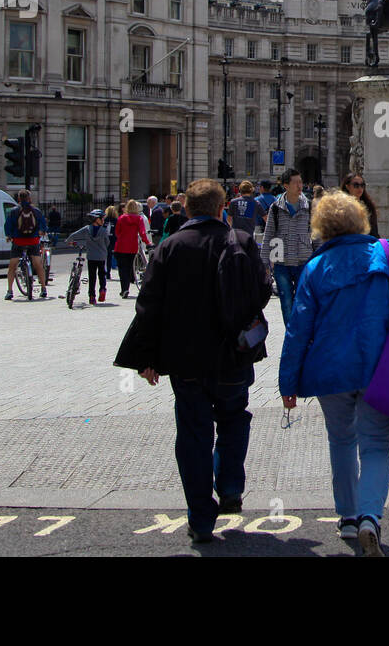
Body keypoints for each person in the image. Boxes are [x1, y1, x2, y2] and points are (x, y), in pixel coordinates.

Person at [115, 178, 272, 543]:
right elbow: (263, 291)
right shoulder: (243, 242)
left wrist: (148, 356)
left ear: (185, 209)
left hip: (185, 360)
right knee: (235, 417)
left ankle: (201, 519)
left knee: (193, 434)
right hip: (234, 353)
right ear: (223, 209)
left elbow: (148, 306)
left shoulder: (169, 246)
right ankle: (230, 484)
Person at [279, 191, 389, 556]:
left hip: (330, 371)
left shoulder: (313, 269)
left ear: (322, 227)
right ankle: (371, 515)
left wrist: (287, 382)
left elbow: (298, 329)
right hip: (379, 367)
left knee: (341, 441)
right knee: (376, 445)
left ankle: (347, 518)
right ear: (362, 220)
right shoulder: (388, 255)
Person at [262, 168, 312, 327]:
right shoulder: (275, 208)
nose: (300, 186)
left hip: (303, 261)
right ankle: (291, 335)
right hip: (281, 263)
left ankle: (300, 334)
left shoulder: (309, 206)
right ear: (286, 185)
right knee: (286, 303)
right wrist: (264, 263)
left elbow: (316, 235)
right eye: (295, 183)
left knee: (303, 301)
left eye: (301, 182)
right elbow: (268, 234)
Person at [4, 190, 48, 299]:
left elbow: (8, 225)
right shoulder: (36, 211)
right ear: (29, 198)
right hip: (33, 241)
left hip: (18, 241)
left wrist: (9, 236)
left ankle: (9, 291)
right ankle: (43, 288)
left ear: (19, 199)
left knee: (12, 267)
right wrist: (41, 232)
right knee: (38, 265)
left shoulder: (14, 211)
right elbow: (43, 224)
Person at [66, 209, 110, 304]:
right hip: (101, 256)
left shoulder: (87, 229)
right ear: (96, 219)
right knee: (102, 275)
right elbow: (107, 242)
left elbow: (75, 234)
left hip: (91, 256)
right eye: (102, 219)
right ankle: (102, 289)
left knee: (92, 276)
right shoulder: (103, 230)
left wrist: (68, 241)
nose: (103, 220)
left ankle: (91, 296)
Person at [114, 199, 152, 299]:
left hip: (121, 246)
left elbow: (117, 232)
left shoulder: (121, 218)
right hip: (132, 246)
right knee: (130, 267)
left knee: (122, 269)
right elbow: (142, 233)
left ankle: (124, 289)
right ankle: (127, 287)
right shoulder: (139, 219)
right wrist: (148, 242)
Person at [104, 204, 119, 271]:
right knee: (110, 256)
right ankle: (108, 272)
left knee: (105, 256)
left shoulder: (104, 220)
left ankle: (105, 270)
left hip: (105, 239)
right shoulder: (116, 220)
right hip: (113, 240)